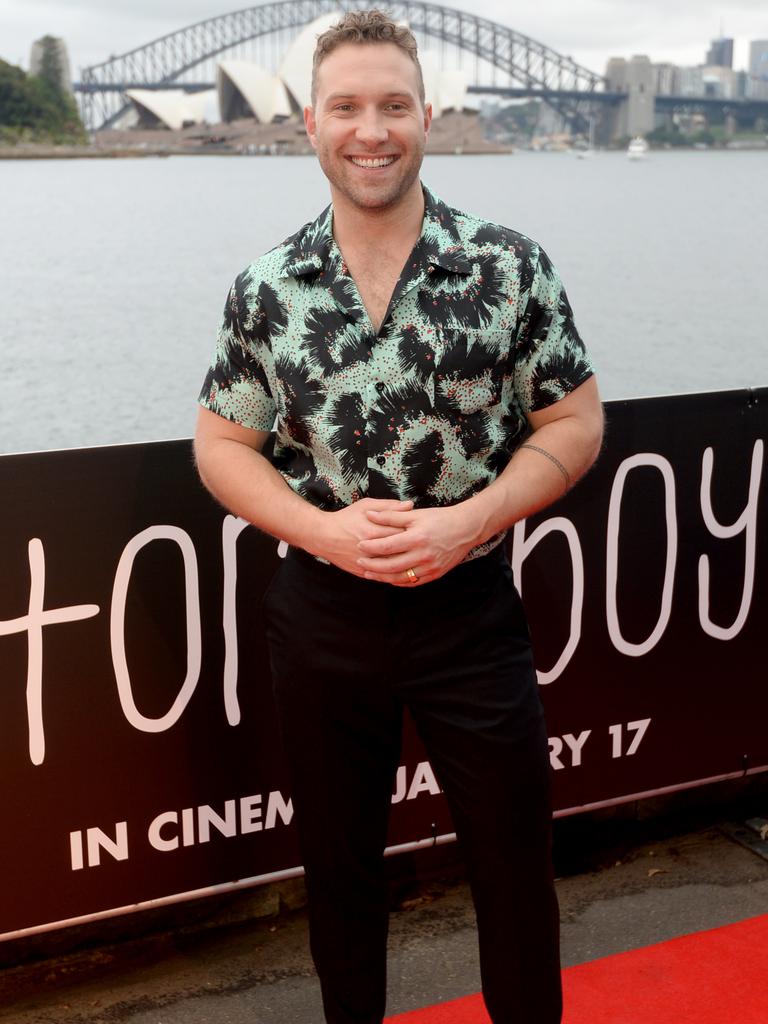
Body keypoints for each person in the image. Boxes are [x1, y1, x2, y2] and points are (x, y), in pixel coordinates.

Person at [195, 10, 603, 1023]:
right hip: (322, 614)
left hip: (468, 611)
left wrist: (476, 519)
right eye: (346, 107)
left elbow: (576, 422)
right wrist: (321, 531)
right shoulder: (266, 288)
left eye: (392, 106)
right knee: (337, 875)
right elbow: (220, 443)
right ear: (310, 126)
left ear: (427, 116)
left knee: (514, 869)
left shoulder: (508, 266)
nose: (370, 130)